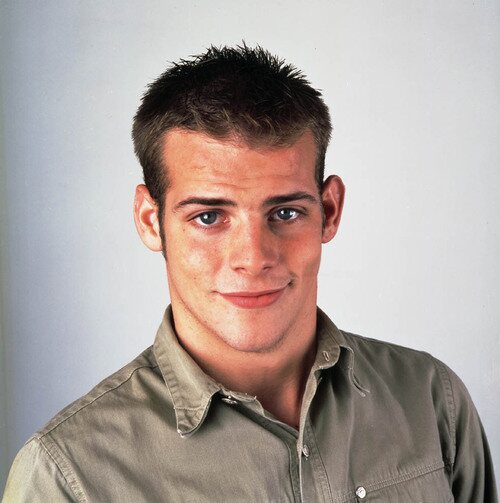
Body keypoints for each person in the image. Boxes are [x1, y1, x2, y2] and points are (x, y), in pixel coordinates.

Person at [2, 44, 497, 503]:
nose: (254, 257)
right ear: (151, 221)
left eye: (285, 212)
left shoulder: (431, 399)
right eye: (208, 217)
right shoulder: (67, 475)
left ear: (329, 211)